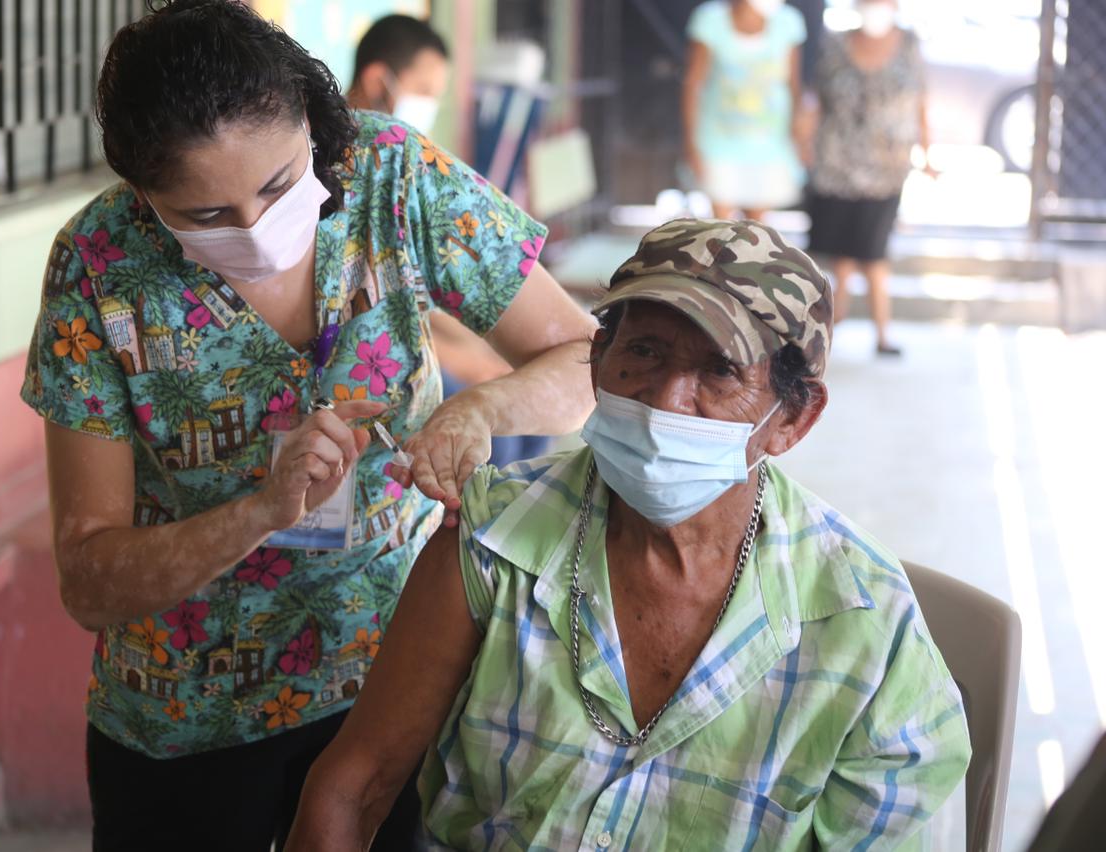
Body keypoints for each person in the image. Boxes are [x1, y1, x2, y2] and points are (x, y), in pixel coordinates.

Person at [18, 1, 596, 848]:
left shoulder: (392, 175)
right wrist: (257, 511)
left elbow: (582, 358)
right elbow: (90, 580)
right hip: (190, 726)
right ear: (142, 196)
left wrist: (483, 409)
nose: (253, 230)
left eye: (279, 186)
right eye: (205, 217)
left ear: (316, 129)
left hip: (401, 683)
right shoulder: (99, 266)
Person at [287, 219, 971, 850]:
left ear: (793, 419)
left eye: (719, 371)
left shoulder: (867, 625)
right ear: (597, 360)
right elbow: (355, 785)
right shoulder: (493, 537)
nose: (667, 398)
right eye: (643, 350)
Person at [347, 14, 551, 469]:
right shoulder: (343, 174)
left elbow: (431, 290)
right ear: (380, 79)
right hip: (375, 361)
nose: (428, 108)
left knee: (527, 416)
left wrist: (485, 351)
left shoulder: (409, 172)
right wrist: (466, 362)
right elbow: (358, 319)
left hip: (421, 337)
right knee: (500, 442)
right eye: (425, 92)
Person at [806, 0, 931, 356]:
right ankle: (837, 316)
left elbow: (921, 100)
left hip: (886, 170)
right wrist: (803, 139)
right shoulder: (835, 46)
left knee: (874, 253)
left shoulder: (908, 45)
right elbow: (817, 100)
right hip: (836, 166)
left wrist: (926, 151)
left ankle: (881, 334)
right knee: (842, 253)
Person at [682, 0, 809, 220]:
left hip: (770, 145)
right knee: (720, 230)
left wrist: (802, 135)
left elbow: (794, 84)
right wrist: (691, 143)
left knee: (756, 233)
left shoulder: (788, 22)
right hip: (718, 143)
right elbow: (693, 83)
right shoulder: (711, 20)